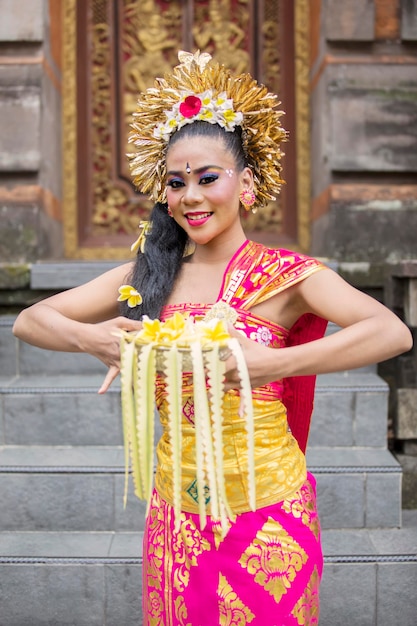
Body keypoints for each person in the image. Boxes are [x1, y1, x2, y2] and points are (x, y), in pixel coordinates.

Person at [13, 51, 412, 625]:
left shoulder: (284, 274)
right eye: (175, 184)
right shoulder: (150, 274)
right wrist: (98, 341)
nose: (190, 197)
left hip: (267, 513)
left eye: (208, 178)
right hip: (176, 514)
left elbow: (390, 331)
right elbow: (32, 320)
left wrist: (277, 363)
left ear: (246, 183)